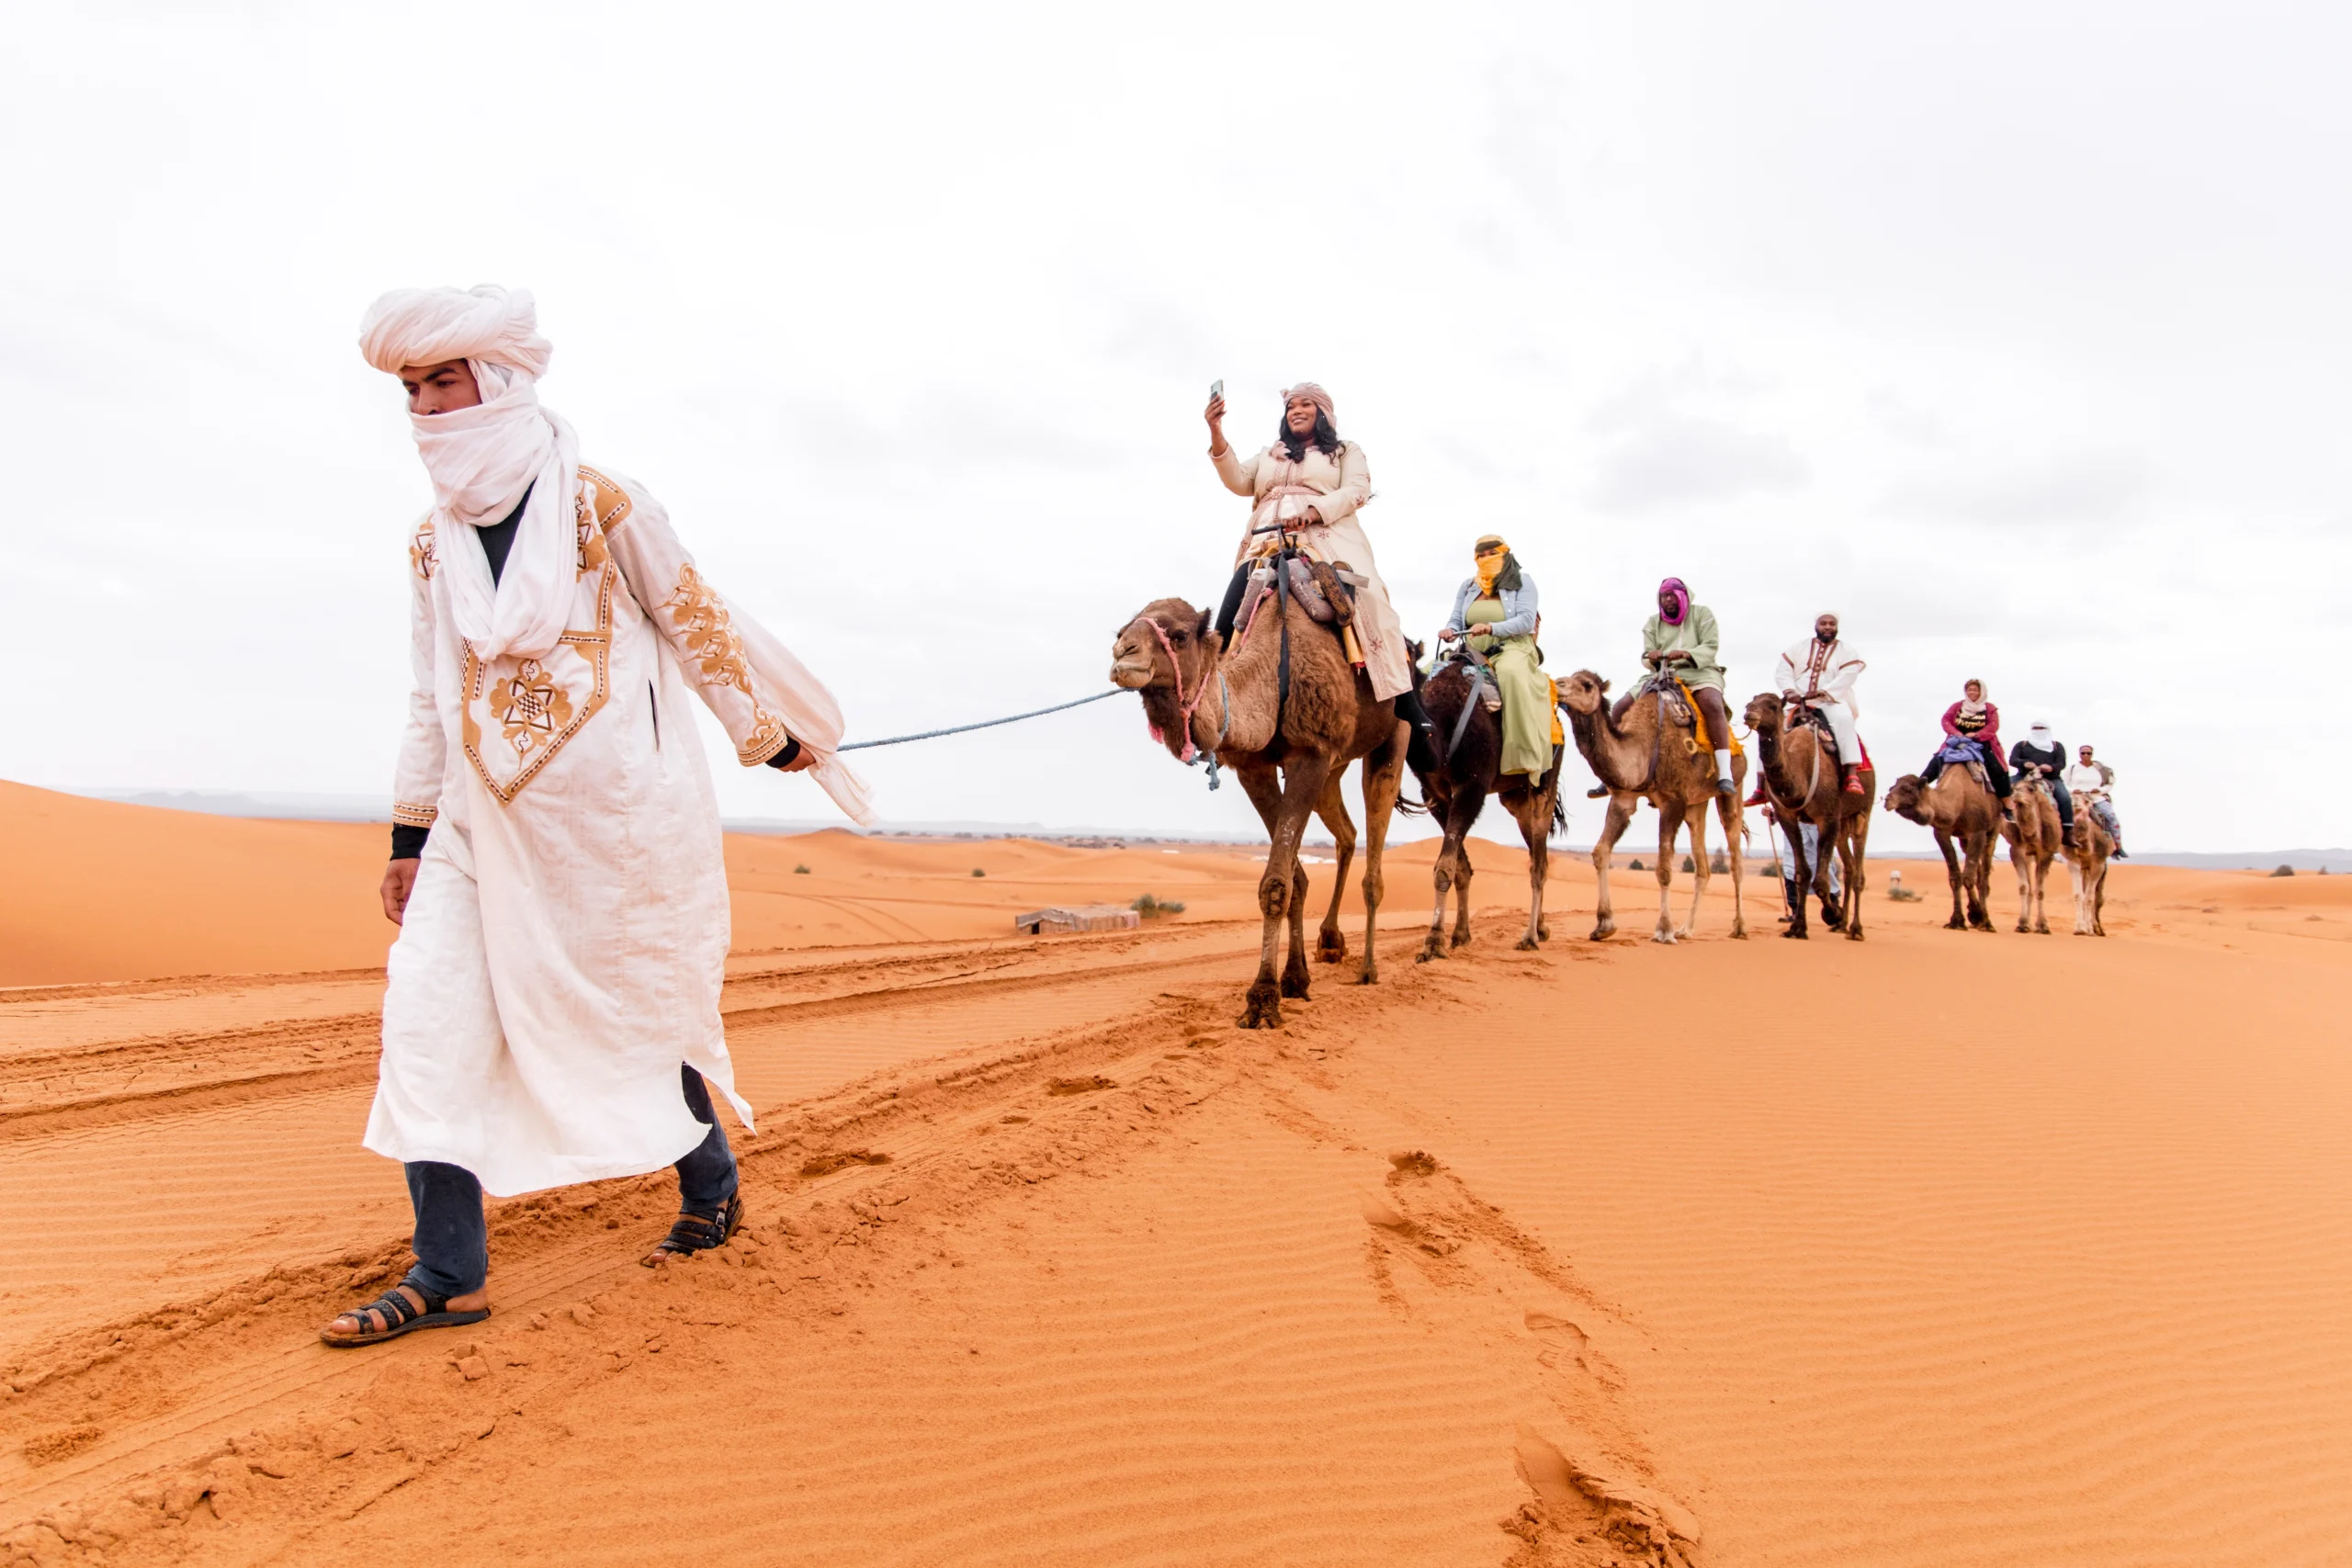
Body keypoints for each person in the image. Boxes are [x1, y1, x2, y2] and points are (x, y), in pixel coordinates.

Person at [322, 286, 873, 1348]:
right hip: (484, 822)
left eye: (447, 379)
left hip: (617, 822)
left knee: (627, 1011)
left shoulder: (602, 504)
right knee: (427, 1025)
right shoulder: (431, 544)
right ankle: (450, 1269)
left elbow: (695, 617)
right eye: (414, 388)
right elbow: (431, 691)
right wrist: (408, 832)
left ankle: (709, 1181)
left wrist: (766, 734)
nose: (431, 405)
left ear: (502, 382)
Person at [1204, 385, 1420, 730]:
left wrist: (1313, 511)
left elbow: (1356, 490)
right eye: (1291, 406)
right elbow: (1238, 480)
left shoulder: (1345, 452)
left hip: (1327, 537)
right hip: (1266, 542)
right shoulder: (1269, 454)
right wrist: (1216, 431)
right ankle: (1210, 706)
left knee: (1372, 600)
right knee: (1225, 617)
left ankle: (1405, 698)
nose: (1296, 411)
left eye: (1305, 404)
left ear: (1323, 413)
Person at [1438, 535, 1550, 780]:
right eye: (1481, 555)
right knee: (1430, 675)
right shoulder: (1468, 586)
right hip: (1472, 647)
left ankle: (1522, 755)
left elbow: (1526, 620)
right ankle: (1427, 749)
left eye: (1493, 553)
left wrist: (1491, 627)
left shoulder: (1522, 581)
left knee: (1511, 674)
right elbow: (1457, 618)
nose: (1487, 559)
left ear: (1505, 554)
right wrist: (1449, 630)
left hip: (1511, 646)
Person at [1625, 577, 1734, 795]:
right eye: (1663, 596)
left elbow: (1710, 646)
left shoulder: (1702, 614)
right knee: (1622, 707)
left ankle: (1725, 772)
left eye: (1671, 595)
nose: (1667, 600)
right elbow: (1646, 656)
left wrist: (1687, 653)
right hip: (1662, 673)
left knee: (1712, 703)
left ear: (1682, 596)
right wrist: (1652, 656)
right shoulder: (1652, 622)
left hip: (1699, 671)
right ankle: (1617, 772)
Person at [1772, 612, 1868, 795]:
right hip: (1797, 701)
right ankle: (1762, 785)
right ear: (1816, 625)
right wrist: (1789, 691)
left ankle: (1851, 774)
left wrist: (1825, 692)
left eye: (1832, 624)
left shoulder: (1847, 651)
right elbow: (1783, 671)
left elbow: (1848, 674)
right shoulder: (1798, 648)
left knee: (1844, 719)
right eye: (1823, 623)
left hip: (1831, 700)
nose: (1828, 627)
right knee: (1770, 730)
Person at [1917, 677, 2012, 818]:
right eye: (1969, 689)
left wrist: (1977, 734)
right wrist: (1957, 733)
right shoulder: (1957, 706)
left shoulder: (1989, 708)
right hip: (1957, 742)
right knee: (1936, 761)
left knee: (1998, 769)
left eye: (1975, 689)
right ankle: (1918, 791)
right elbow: (1946, 720)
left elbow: (1993, 725)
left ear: (1981, 691)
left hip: (1982, 743)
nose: (1972, 692)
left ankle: (2006, 803)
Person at [2008, 722, 2075, 846]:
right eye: (2036, 728)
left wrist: (2050, 767)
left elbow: (2061, 763)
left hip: (2051, 778)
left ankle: (2067, 832)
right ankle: (1997, 823)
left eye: (2042, 728)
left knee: (2065, 798)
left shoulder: (2056, 746)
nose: (2038, 731)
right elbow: (2013, 760)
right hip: (2024, 776)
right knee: (2003, 789)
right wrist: (2025, 763)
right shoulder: (2022, 745)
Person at [2068, 744, 2125, 856]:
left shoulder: (2100, 769)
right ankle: (2056, 847)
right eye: (2083, 753)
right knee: (2062, 818)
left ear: (2092, 754)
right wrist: (2073, 790)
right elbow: (2064, 783)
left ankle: (2118, 847)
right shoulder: (2072, 768)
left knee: (2111, 817)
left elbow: (2109, 784)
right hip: (2077, 799)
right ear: (2079, 754)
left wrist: (2099, 790)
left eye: (2088, 753)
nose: (2085, 755)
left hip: (2096, 798)